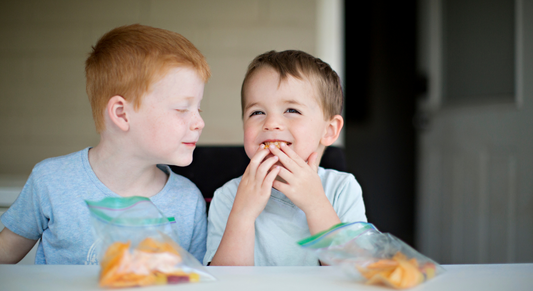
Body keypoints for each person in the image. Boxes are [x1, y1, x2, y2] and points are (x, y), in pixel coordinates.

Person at [0, 24, 210, 264]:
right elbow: (4, 255)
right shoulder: (50, 181)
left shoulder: (187, 200)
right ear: (121, 114)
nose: (199, 122)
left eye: (198, 108)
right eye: (182, 109)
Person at [204, 50, 367, 266]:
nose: (271, 123)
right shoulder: (228, 197)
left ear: (329, 130)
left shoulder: (342, 189)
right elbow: (225, 283)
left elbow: (355, 273)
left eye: (291, 110)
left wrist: (316, 204)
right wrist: (242, 216)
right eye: (257, 112)